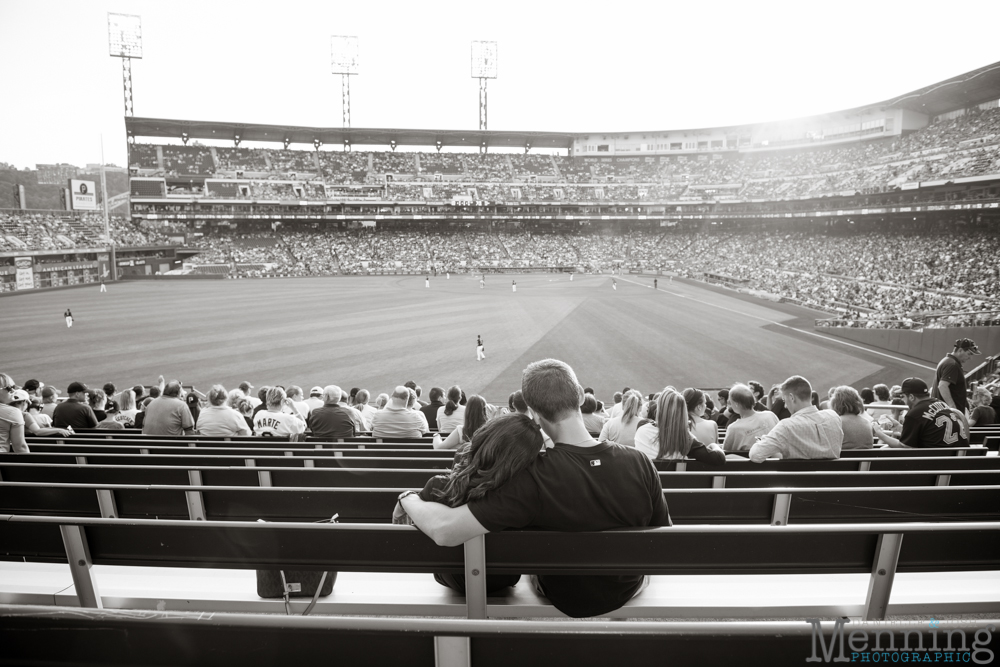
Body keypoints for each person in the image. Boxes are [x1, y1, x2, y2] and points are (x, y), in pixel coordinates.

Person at [399, 358, 670, 618]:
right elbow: (663, 535)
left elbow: (446, 531)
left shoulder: (532, 474)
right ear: (579, 397)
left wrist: (407, 498)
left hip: (563, 594)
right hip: (626, 587)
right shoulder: (640, 461)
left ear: (534, 413)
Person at [394, 413, 542, 594]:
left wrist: (406, 498)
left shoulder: (438, 486)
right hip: (505, 577)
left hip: (453, 577)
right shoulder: (523, 496)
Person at [748, 376, 843, 462]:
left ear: (792, 397)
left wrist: (765, 439)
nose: (785, 405)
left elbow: (755, 455)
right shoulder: (834, 417)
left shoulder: (786, 426)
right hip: (834, 480)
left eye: (784, 400)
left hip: (797, 481)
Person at [635, 389, 726, 467]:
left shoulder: (641, 428)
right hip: (676, 485)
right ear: (683, 412)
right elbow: (719, 459)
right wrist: (714, 445)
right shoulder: (684, 438)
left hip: (646, 485)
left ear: (659, 408)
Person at [873, 378, 969, 449]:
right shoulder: (940, 403)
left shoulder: (915, 413)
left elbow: (905, 448)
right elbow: (928, 432)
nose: (903, 400)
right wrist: (900, 427)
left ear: (911, 397)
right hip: (961, 459)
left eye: (903, 396)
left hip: (940, 463)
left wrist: (880, 433)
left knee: (884, 449)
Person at [721, 384, 780, 452]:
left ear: (736, 403)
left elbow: (725, 453)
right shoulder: (770, 415)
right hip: (779, 461)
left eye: (730, 401)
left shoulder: (733, 428)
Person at [933, 338, 981, 416]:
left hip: (943, 412)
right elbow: (942, 386)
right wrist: (953, 408)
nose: (970, 358)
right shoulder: (952, 364)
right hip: (948, 414)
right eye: (969, 354)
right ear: (960, 350)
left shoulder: (949, 361)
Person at [0, 377, 30, 453]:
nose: (13, 390)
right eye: (9, 388)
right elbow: (20, 447)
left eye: (13, 387)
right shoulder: (13, 412)